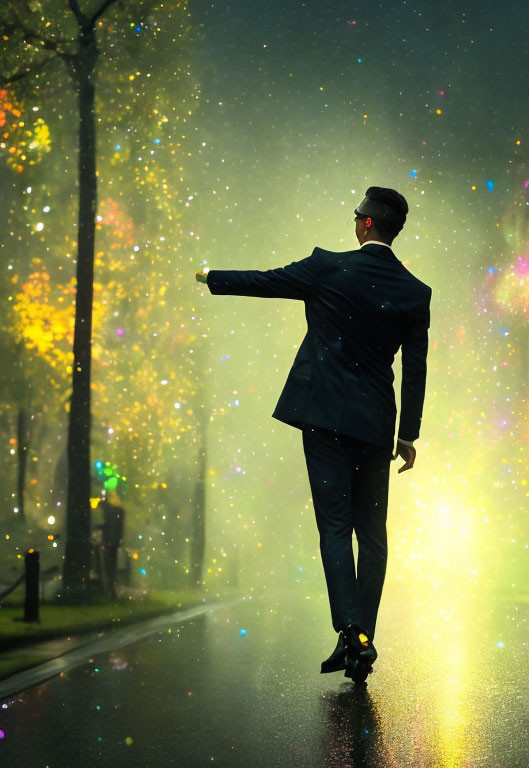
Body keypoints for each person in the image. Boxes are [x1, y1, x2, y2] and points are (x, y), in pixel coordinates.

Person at [195, 186, 431, 683]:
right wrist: (408, 435)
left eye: (356, 216)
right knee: (372, 535)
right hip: (375, 425)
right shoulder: (415, 292)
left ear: (365, 224)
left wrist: (210, 277)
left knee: (334, 527)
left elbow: (266, 281)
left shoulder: (328, 267)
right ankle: (362, 638)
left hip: (323, 417)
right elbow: (415, 369)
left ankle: (350, 633)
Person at [96, 490, 124, 600]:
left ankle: (110, 589)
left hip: (110, 542)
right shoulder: (114, 511)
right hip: (113, 542)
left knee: (109, 565)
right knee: (111, 564)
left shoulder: (109, 512)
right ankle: (111, 588)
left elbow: (108, 527)